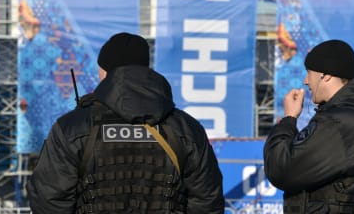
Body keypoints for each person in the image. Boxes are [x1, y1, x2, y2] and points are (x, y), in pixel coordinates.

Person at [28, 32, 225, 213]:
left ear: (105, 72)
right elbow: (207, 200)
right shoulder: (186, 128)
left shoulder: (73, 127)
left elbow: (49, 200)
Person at [263, 39, 354, 213]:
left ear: (325, 75)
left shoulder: (341, 124)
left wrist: (289, 119)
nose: (305, 81)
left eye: (309, 73)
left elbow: (281, 169)